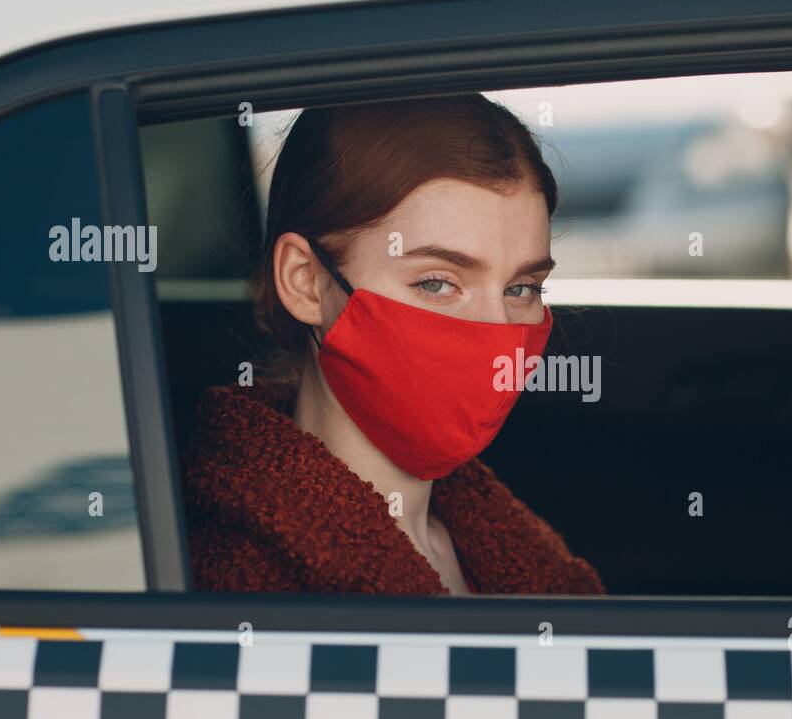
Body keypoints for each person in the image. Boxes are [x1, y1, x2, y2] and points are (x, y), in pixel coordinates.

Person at [183, 95, 604, 596]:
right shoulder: (239, 585)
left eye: (521, 289)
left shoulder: (505, 549)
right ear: (306, 281)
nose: (498, 332)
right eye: (436, 282)